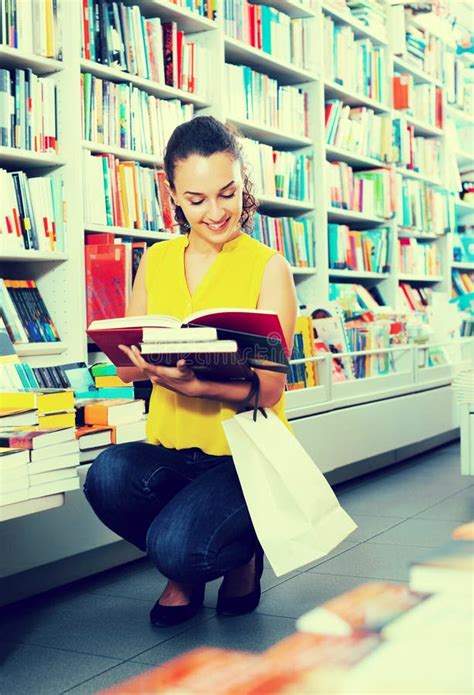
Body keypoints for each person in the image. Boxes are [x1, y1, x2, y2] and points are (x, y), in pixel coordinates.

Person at [83, 116, 297, 627]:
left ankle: (236, 556)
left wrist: (197, 383)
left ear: (243, 178)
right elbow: (127, 372)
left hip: (243, 455)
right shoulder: (155, 261)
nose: (217, 212)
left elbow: (269, 390)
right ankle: (188, 554)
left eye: (227, 193)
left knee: (178, 549)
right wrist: (137, 366)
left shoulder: (269, 268)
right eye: (197, 200)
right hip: (172, 450)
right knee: (106, 476)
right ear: (171, 193)